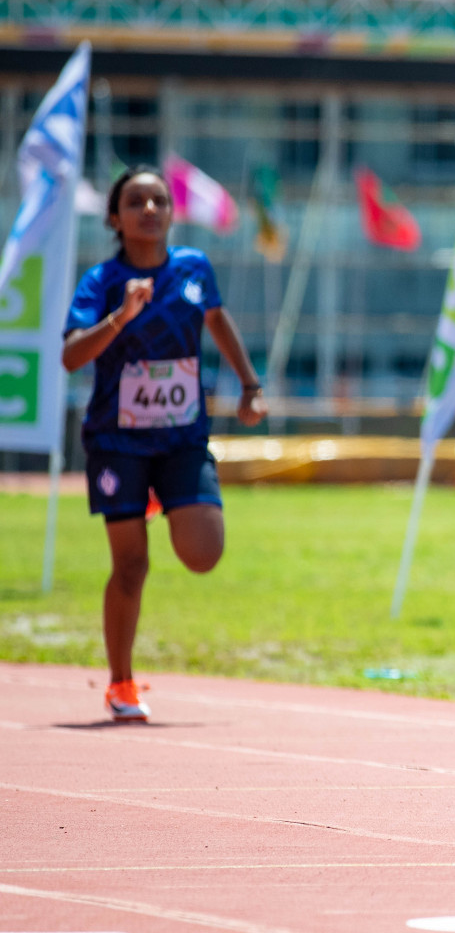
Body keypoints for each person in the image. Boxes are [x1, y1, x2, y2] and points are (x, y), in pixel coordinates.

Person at [62, 165, 267, 722]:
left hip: (181, 436)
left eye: (158, 200)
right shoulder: (102, 280)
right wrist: (120, 317)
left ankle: (165, 494)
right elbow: (72, 355)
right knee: (131, 566)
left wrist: (250, 385)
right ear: (115, 217)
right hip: (117, 441)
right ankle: (121, 684)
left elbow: (218, 322)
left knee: (203, 553)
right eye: (136, 202)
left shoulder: (194, 268)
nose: (149, 209)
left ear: (172, 213)